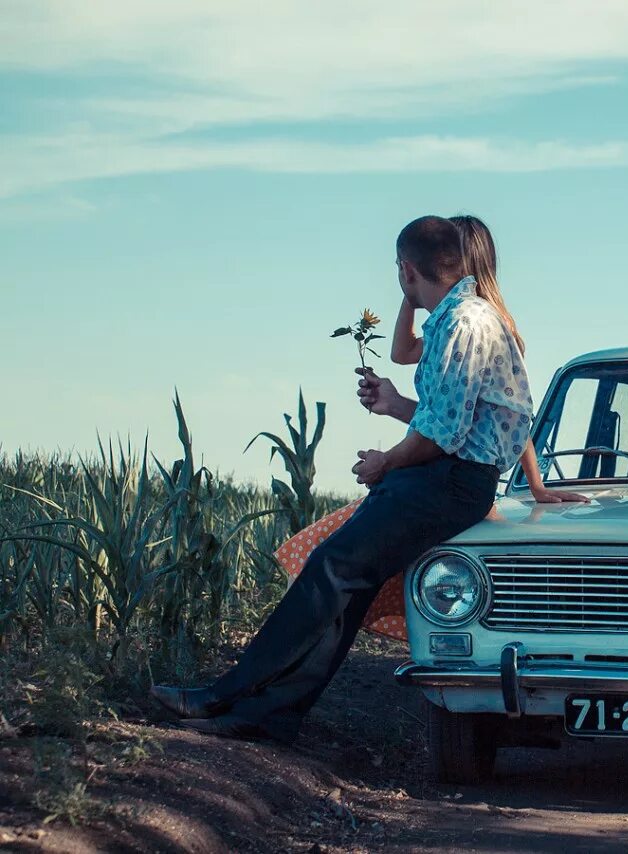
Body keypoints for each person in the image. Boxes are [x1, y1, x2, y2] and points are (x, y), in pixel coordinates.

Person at [151, 215, 533, 743]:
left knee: (331, 567)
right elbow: (453, 417)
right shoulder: (457, 317)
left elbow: (441, 437)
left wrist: (385, 462)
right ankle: (268, 714)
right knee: (346, 582)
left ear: (406, 269)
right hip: (445, 476)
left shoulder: (466, 322)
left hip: (448, 480)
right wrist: (400, 415)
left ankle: (225, 695)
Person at [276, 215, 588, 645]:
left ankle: (261, 688)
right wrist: (414, 290)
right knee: (336, 560)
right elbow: (417, 371)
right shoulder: (450, 320)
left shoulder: (475, 324)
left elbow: (510, 420)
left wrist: (534, 485)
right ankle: (269, 686)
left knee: (338, 561)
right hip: (438, 466)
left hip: (452, 474)